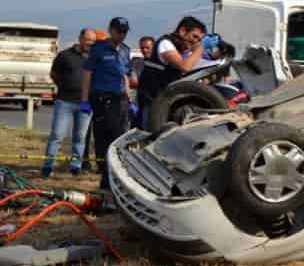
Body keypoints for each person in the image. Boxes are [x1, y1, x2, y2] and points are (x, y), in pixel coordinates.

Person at [80, 18, 132, 191]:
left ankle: (113, 182)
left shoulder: (125, 51)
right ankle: (106, 181)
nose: (121, 35)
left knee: (119, 141)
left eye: (124, 32)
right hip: (103, 100)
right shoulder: (99, 49)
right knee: (104, 142)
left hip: (120, 102)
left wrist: (128, 97)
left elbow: (124, 75)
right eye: (118, 31)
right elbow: (87, 74)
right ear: (110, 30)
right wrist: (85, 100)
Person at [41, 28, 97, 176]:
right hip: (65, 102)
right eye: (88, 40)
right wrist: (65, 86)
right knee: (57, 135)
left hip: (85, 104)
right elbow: (54, 74)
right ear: (80, 39)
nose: (90, 43)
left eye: (93, 41)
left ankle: (75, 167)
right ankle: (48, 166)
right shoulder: (65, 55)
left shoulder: (95, 58)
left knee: (80, 138)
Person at [136, 16, 208, 127]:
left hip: (166, 103)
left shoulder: (179, 48)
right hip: (153, 103)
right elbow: (185, 66)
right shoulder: (165, 44)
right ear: (182, 31)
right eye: (194, 37)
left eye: (199, 40)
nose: (196, 42)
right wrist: (201, 47)